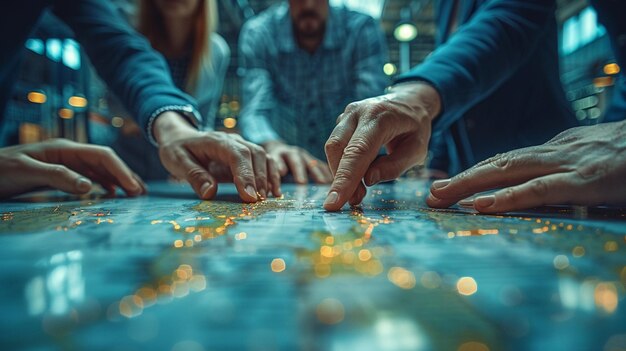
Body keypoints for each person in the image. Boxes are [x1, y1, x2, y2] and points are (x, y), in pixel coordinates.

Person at [0, 0, 280, 201]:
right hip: (128, 161)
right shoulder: (136, 24)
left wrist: (176, 129)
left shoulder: (215, 50)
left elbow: (121, 51)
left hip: (169, 167)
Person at [322, 0, 578, 211]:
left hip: (543, 162)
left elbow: (505, 25)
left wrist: (414, 97)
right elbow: (456, 99)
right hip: (474, 176)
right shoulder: (445, 4)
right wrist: (439, 164)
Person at [427, 0, 626, 213]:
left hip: (540, 146)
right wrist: (440, 159)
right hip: (478, 163)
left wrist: (616, 133)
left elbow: (511, 19)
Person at [238, 0, 388, 184]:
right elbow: (255, 108)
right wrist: (272, 145)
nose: (308, 5)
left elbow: (370, 107)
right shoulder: (260, 32)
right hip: (288, 174)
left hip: (355, 171)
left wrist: (354, 154)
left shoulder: (360, 29)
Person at [108, 0, 232, 181]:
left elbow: (205, 120)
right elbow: (115, 102)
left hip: (178, 168)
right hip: (130, 162)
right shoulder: (130, 35)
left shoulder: (217, 51)